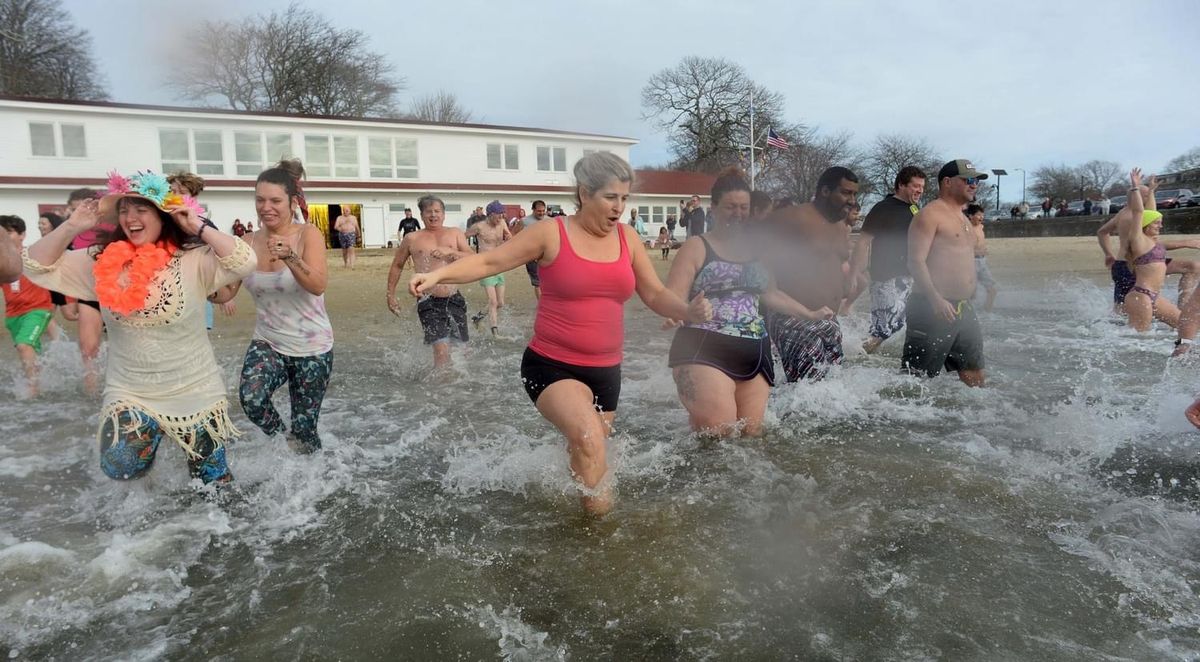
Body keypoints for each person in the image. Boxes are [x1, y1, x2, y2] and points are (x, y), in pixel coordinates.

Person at [408, 152, 711, 515]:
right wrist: (438, 276)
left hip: (606, 371)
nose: (619, 207)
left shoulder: (628, 238)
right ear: (585, 193)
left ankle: (572, 513)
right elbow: (490, 261)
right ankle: (599, 530)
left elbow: (655, 293)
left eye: (625, 198)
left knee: (586, 451)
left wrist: (687, 310)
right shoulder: (552, 232)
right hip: (551, 365)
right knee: (588, 438)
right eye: (610, 197)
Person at [24, 169, 255, 484]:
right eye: (124, 209)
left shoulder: (193, 259)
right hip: (131, 390)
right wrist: (72, 226)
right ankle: (153, 438)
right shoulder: (101, 260)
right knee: (119, 465)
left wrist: (198, 227)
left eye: (141, 209)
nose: (130, 217)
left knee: (211, 482)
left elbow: (244, 261)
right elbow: (36, 265)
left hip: (194, 388)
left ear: (163, 216)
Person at [664, 168, 830, 437]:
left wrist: (808, 313)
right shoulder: (696, 246)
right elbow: (672, 294)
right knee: (720, 433)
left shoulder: (758, 250)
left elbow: (770, 292)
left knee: (751, 436)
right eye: (730, 207)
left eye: (744, 207)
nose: (738, 214)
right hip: (703, 345)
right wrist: (680, 312)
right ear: (714, 208)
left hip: (754, 347)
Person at [210, 160, 334, 454]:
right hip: (269, 341)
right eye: (260, 200)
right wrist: (206, 289)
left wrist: (291, 257)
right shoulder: (245, 241)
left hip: (312, 347)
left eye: (275, 200)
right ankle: (282, 441)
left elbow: (318, 285)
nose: (266, 207)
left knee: (305, 430)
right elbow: (227, 292)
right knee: (252, 400)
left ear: (292, 202)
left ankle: (311, 471)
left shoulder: (308, 235)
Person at [765, 166, 858, 382]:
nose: (852, 200)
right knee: (807, 392)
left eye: (854, 194)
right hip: (794, 318)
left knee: (831, 392)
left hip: (829, 321)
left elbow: (834, 263)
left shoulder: (840, 225)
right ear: (825, 191)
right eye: (845, 193)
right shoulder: (792, 218)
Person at [901, 159, 987, 386]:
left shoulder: (963, 217)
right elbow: (915, 261)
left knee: (975, 377)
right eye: (968, 180)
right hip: (931, 308)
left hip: (963, 308)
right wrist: (936, 299)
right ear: (947, 182)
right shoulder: (930, 215)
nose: (974, 185)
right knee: (915, 383)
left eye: (976, 181)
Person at [386, 195, 473, 369]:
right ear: (422, 214)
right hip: (428, 301)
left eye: (437, 211)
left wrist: (449, 252)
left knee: (461, 351)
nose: (433, 215)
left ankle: (458, 390)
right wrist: (390, 294)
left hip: (454, 298)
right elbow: (397, 265)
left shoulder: (455, 233)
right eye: (429, 212)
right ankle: (440, 390)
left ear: (444, 214)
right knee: (441, 351)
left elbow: (473, 257)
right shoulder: (412, 238)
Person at [845, 167, 926, 354]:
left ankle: (865, 356)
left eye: (922, 186)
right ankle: (853, 358)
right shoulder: (883, 208)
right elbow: (863, 242)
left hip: (906, 277)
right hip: (885, 278)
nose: (920, 190)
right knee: (882, 331)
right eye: (916, 185)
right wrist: (854, 274)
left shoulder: (913, 208)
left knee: (898, 327)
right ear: (901, 185)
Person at [1096, 175, 1198, 315]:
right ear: (1135, 195)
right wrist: (1187, 243)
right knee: (1123, 310)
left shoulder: (1123, 213)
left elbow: (1102, 232)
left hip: (1144, 260)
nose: (1149, 197)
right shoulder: (1134, 216)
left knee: (1192, 266)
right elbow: (1146, 221)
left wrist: (1108, 254)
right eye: (1146, 195)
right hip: (1128, 265)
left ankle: (1182, 307)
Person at [1118, 168, 1182, 332]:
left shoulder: (1153, 241)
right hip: (1141, 296)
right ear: (1145, 226)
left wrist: (1152, 191)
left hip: (1155, 297)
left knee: (1185, 327)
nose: (1160, 225)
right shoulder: (1139, 240)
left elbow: (1151, 212)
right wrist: (1135, 187)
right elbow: (1140, 212)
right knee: (1139, 342)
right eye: (1156, 223)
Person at [1, 215, 55, 395]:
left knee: (24, 345)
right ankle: (47, 381)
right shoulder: (2, 262)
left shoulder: (33, 254)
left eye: (9, 232)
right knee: (27, 350)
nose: (5, 237)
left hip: (37, 310)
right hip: (13, 315)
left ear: (22, 235)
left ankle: (33, 388)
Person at [64, 187, 105, 395]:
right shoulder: (70, 233)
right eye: (72, 210)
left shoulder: (114, 226)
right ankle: (92, 393)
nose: (75, 214)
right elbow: (63, 269)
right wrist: (68, 299)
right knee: (88, 348)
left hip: (119, 293)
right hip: (88, 293)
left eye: (79, 208)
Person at [465, 200, 513, 335]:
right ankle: (495, 332)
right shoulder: (479, 227)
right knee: (492, 301)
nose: (501, 218)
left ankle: (477, 318)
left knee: (500, 303)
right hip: (485, 266)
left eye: (502, 215)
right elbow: (462, 237)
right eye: (498, 215)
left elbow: (509, 235)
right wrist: (466, 254)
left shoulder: (502, 223)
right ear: (491, 214)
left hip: (499, 265)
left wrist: (509, 237)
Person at [37, 212, 78, 326]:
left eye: (43, 223)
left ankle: (98, 320)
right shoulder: (41, 243)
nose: (40, 226)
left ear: (52, 225)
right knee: (46, 316)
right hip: (49, 285)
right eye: (39, 223)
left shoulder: (62, 241)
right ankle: (55, 341)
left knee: (70, 315)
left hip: (63, 283)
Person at [966, 203, 998, 311]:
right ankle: (968, 314)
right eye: (979, 215)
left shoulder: (980, 226)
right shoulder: (966, 229)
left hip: (982, 261)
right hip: (971, 262)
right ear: (970, 216)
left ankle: (987, 313)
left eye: (982, 215)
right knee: (971, 293)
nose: (982, 217)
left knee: (992, 290)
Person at [515, 200, 548, 299]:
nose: (541, 213)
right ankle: (541, 304)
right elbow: (515, 236)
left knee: (548, 281)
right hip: (531, 257)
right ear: (533, 210)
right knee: (537, 282)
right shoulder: (524, 221)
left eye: (543, 211)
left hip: (546, 255)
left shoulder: (549, 220)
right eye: (539, 211)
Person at [333, 204, 360, 269]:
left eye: (347, 210)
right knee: (344, 251)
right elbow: (335, 226)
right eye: (344, 210)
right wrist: (340, 229)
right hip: (342, 235)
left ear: (350, 210)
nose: (345, 212)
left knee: (351, 248)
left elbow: (357, 227)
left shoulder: (353, 218)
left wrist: (358, 236)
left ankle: (352, 265)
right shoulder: (339, 218)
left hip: (351, 234)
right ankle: (346, 263)